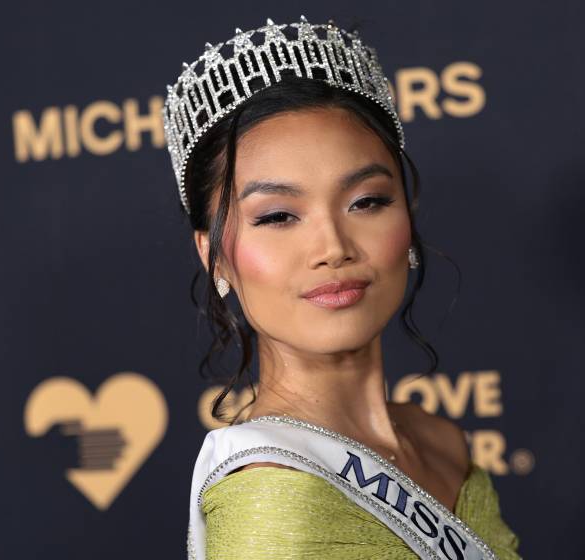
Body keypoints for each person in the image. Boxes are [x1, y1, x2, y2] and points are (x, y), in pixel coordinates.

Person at [162, 15, 522, 560]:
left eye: (367, 202)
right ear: (214, 254)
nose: (333, 245)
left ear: (407, 219)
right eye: (279, 215)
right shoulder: (274, 496)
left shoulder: (440, 442)